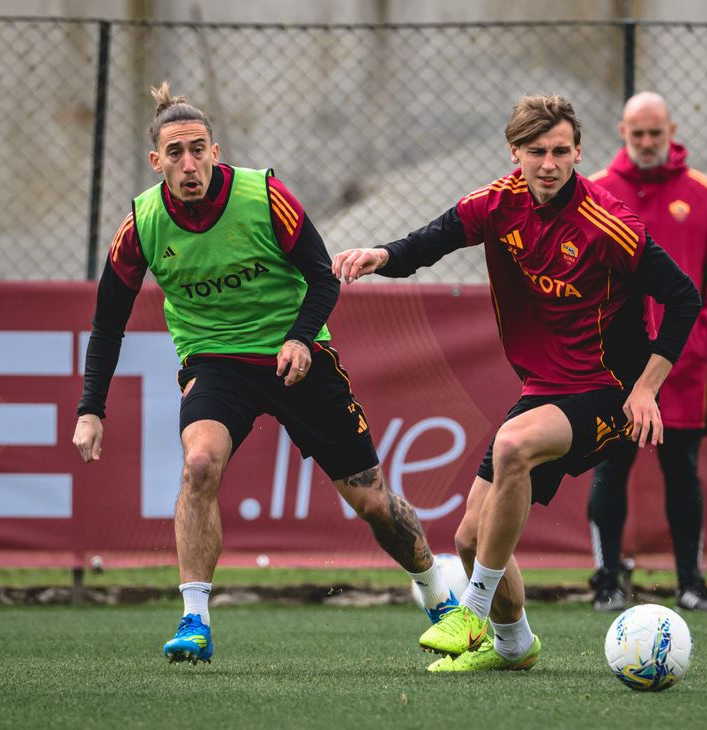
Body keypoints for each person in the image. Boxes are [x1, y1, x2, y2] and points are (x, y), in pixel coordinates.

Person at [72, 82, 457, 665]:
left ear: (216, 151)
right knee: (199, 464)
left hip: (295, 355)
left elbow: (324, 278)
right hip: (216, 362)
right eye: (174, 153)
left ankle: (437, 596)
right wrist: (90, 409)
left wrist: (301, 339)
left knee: (373, 502)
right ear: (156, 163)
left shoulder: (264, 195)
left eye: (198, 149)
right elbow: (107, 324)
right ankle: (194, 620)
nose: (189, 163)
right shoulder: (142, 225)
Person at [332, 94, 701, 672]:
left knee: (512, 446)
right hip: (545, 388)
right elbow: (431, 241)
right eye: (536, 151)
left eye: (560, 151)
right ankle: (513, 647)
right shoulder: (498, 204)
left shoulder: (609, 225)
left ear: (578, 152)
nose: (549, 163)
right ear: (516, 154)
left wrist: (648, 388)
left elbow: (684, 297)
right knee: (470, 542)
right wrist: (381, 254)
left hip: (608, 390)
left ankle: (472, 613)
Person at [586, 91, 707, 614]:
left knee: (684, 472)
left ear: (671, 130)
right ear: (622, 133)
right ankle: (606, 582)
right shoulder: (597, 191)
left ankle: (691, 585)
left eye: (656, 133)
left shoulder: (700, 192)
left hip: (687, 363)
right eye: (638, 134)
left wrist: (705, 330)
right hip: (618, 366)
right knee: (609, 467)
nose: (648, 142)